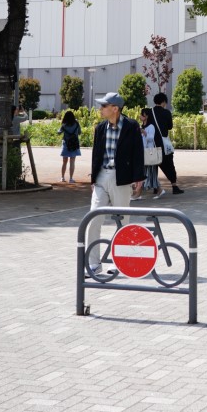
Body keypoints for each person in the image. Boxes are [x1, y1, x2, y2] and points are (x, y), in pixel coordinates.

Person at [86, 93, 145, 276]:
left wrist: (139, 178)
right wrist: (94, 179)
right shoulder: (100, 127)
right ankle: (93, 264)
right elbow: (96, 153)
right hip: (102, 177)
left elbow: (138, 153)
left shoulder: (131, 126)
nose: (101, 108)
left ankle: (118, 262)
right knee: (93, 219)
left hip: (122, 178)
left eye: (104, 105)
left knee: (121, 221)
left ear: (115, 108)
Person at [148, 93, 183, 195]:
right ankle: (174, 186)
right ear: (163, 101)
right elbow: (170, 127)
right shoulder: (166, 112)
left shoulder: (149, 112)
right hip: (163, 144)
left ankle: (155, 187)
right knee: (169, 164)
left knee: (153, 165)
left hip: (152, 144)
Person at [140, 108, 163, 197]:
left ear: (147, 116)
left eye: (142, 115)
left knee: (150, 172)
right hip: (144, 151)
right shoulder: (142, 126)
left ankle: (159, 189)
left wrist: (144, 133)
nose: (141, 116)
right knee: (147, 172)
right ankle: (159, 190)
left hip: (149, 152)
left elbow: (151, 138)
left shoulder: (151, 126)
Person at [58, 110, 82, 183]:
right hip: (74, 144)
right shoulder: (76, 123)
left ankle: (62, 177)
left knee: (64, 162)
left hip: (66, 144)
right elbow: (80, 132)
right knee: (72, 162)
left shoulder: (64, 124)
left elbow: (59, 132)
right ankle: (71, 178)